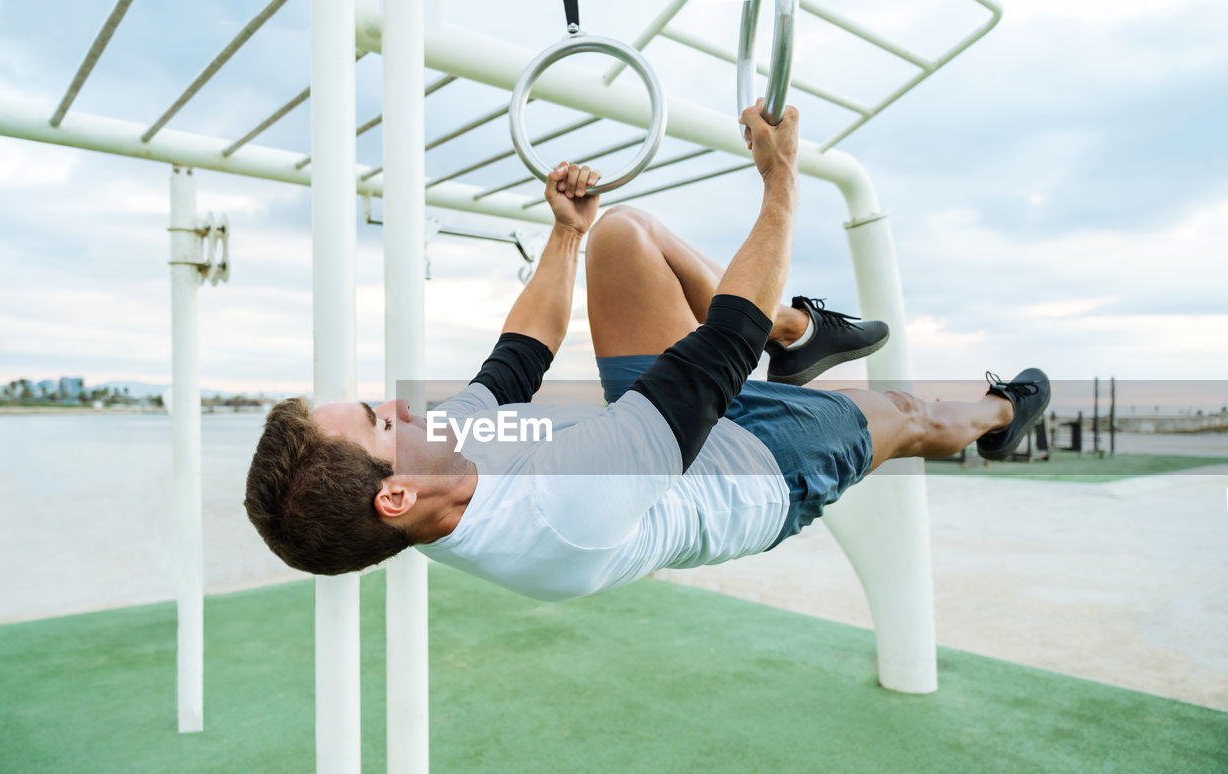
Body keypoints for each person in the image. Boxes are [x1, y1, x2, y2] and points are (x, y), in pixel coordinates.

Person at [244, 100, 1050, 599]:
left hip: (646, 421)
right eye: (378, 422)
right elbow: (719, 348)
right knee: (905, 413)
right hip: (755, 475)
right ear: (394, 497)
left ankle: (797, 336)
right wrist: (781, 183)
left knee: (623, 235)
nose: (396, 404)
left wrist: (566, 234)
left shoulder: (436, 460)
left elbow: (518, 359)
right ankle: (1003, 416)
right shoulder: (560, 519)